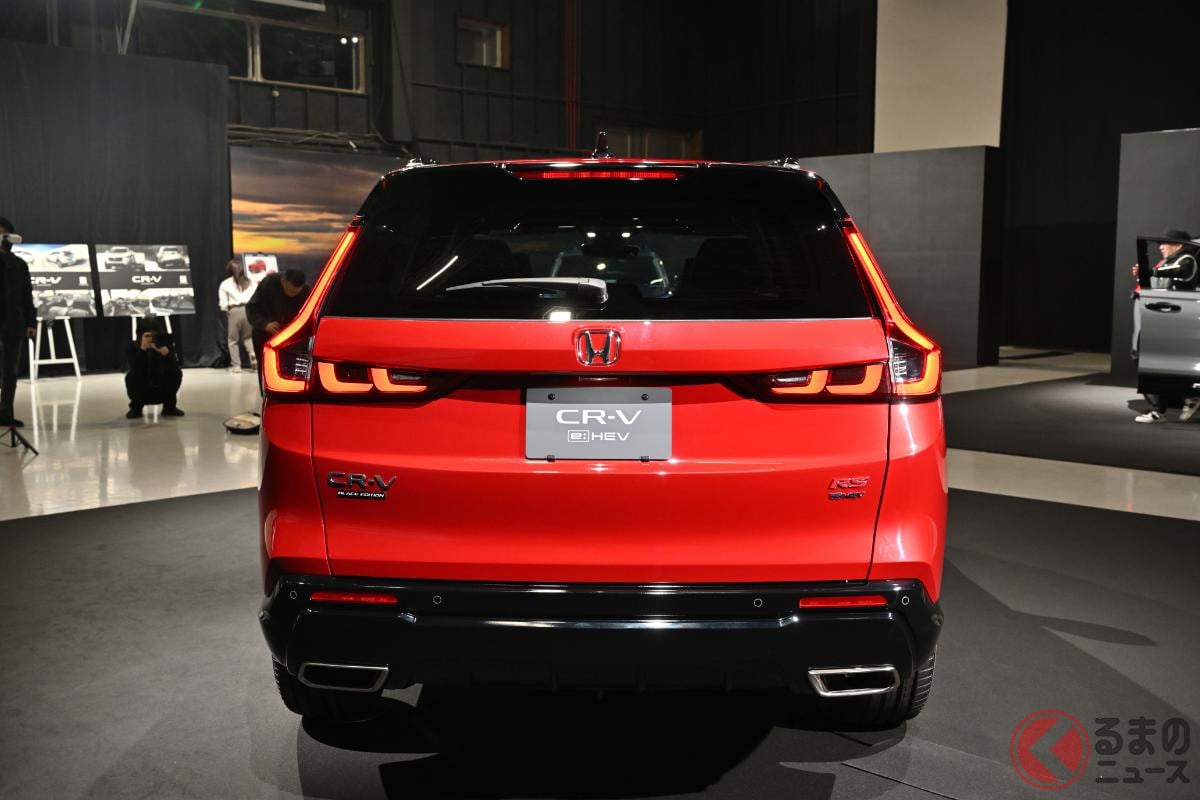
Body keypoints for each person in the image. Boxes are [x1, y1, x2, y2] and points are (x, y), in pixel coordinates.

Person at [1133, 230, 1199, 423]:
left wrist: (1150, 271)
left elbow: (1179, 270)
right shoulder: (1169, 262)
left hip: (1181, 322)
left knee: (1168, 364)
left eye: (1165, 243)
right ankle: (1184, 400)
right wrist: (1144, 276)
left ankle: (1168, 407)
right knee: (1167, 366)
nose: (1161, 247)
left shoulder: (1187, 259)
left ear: (1178, 245)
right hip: (1171, 321)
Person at [0, 217, 36, 428]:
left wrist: (31, 322)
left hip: (13, 323)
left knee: (10, 371)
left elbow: (26, 295)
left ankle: (5, 412)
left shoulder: (18, 265)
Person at [246, 268, 309, 363]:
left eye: (296, 293)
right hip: (265, 334)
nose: (292, 295)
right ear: (283, 281)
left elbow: (307, 315)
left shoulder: (305, 290)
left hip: (291, 337)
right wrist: (265, 324)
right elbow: (252, 308)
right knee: (266, 364)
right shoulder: (269, 283)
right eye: (290, 291)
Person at [125, 320, 184, 419]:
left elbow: (175, 367)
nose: (151, 339)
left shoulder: (165, 345)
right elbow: (135, 370)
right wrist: (142, 350)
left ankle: (169, 407)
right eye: (148, 335)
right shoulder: (133, 347)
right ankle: (136, 407)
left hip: (161, 387)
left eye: (154, 335)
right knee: (130, 377)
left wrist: (167, 355)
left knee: (177, 373)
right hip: (142, 388)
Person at [218, 258, 257, 373]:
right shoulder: (251, 282)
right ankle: (253, 356)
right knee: (248, 337)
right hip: (249, 310)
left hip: (234, 311)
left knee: (232, 340)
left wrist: (226, 311)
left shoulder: (225, 284)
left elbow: (223, 303)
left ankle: (236, 366)